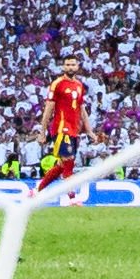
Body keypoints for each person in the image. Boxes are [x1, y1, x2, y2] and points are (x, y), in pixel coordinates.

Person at [33, 54, 97, 194]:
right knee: (69, 163)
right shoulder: (57, 83)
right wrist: (42, 132)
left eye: (73, 64)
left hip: (74, 130)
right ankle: (72, 198)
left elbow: (81, 109)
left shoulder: (79, 85)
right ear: (63, 66)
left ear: (77, 66)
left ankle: (36, 191)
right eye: (67, 64)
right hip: (61, 128)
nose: (70, 67)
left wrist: (89, 130)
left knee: (62, 165)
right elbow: (49, 108)